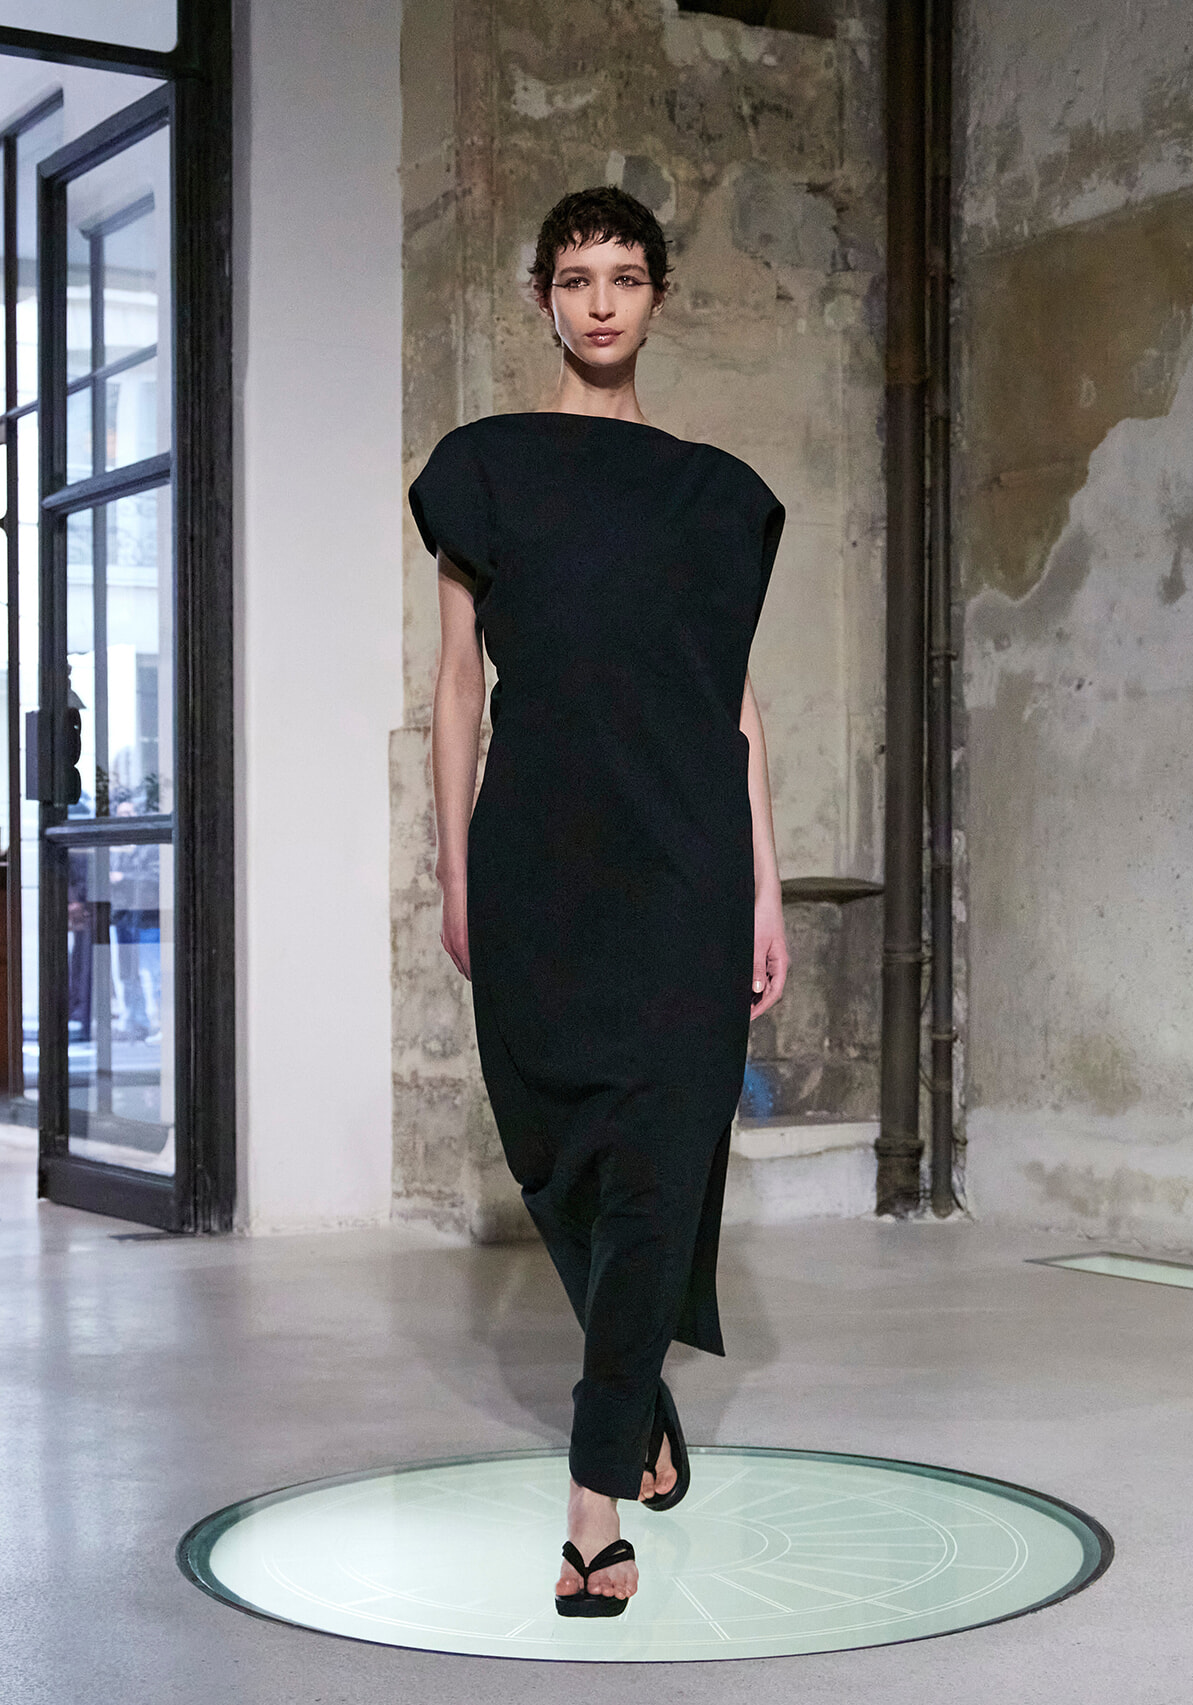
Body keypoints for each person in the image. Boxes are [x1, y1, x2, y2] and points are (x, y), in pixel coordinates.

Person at [408, 186, 789, 1619]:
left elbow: (734, 707)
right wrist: (454, 867)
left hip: (687, 862)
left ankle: (593, 1497)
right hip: (540, 860)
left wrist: (765, 885)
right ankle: (641, 1402)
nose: (602, 301)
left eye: (626, 276)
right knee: (555, 1147)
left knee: (661, 1157)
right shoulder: (486, 469)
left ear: (659, 296)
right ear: (543, 298)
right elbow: (457, 686)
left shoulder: (717, 495)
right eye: (576, 278)